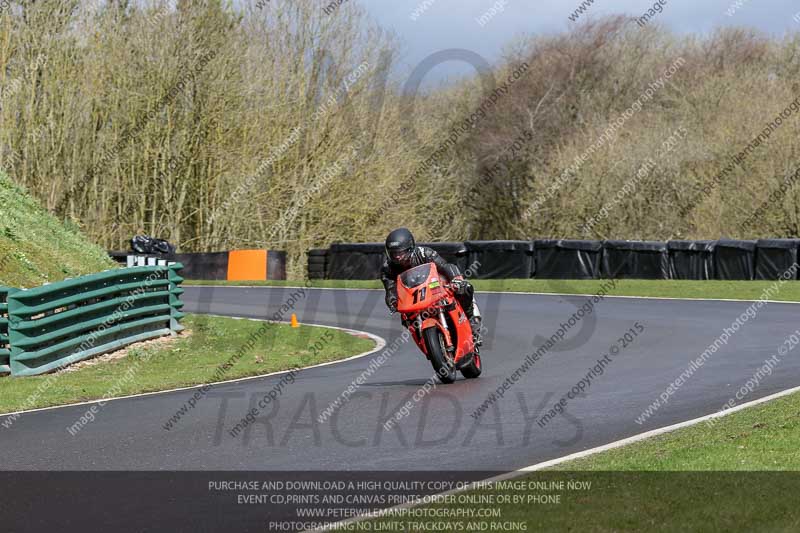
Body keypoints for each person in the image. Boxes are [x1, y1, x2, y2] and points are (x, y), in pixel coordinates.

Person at [380, 228, 482, 346]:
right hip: (412, 299)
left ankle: (471, 321)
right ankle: (425, 341)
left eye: (401, 253)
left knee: (465, 288)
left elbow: (445, 266)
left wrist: (456, 279)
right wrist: (393, 301)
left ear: (410, 248)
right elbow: (390, 289)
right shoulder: (387, 268)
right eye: (394, 254)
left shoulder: (425, 253)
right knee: (405, 319)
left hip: (435, 288)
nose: (398, 257)